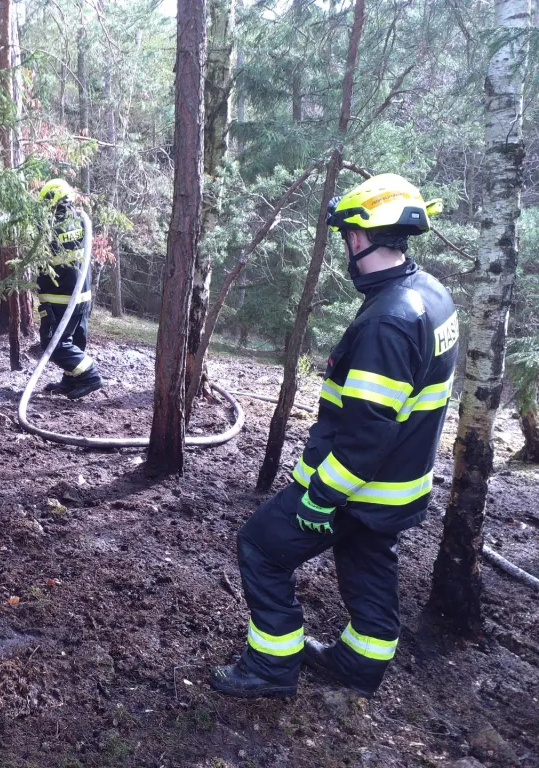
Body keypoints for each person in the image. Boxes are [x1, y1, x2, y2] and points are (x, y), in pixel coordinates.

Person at [210, 174, 457, 699]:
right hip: (401, 487)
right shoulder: (430, 295)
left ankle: (272, 669)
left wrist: (321, 497)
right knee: (368, 559)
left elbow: (366, 432)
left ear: (361, 237)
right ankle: (359, 664)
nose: (348, 243)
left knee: (260, 546)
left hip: (356, 488)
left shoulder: (388, 322)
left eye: (348, 233)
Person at [36, 178, 103, 400]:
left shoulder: (48, 226)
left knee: (52, 344)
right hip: (81, 296)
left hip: (60, 299)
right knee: (75, 341)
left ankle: (90, 375)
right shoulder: (81, 220)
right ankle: (71, 379)